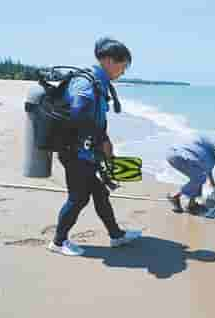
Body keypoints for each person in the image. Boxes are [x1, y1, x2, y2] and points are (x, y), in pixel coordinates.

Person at [48, 37, 141, 256]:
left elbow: (94, 119)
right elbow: (79, 113)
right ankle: (58, 242)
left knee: (100, 193)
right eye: (123, 66)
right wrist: (101, 141)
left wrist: (102, 141)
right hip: (75, 152)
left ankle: (116, 236)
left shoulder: (98, 82)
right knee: (78, 198)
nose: (123, 71)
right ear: (109, 61)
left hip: (86, 151)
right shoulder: (86, 82)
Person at [166, 129, 215, 213]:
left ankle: (191, 205)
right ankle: (175, 196)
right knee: (200, 178)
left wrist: (212, 182)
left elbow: (206, 166)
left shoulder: (209, 138)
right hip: (182, 156)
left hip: (174, 154)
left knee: (198, 176)